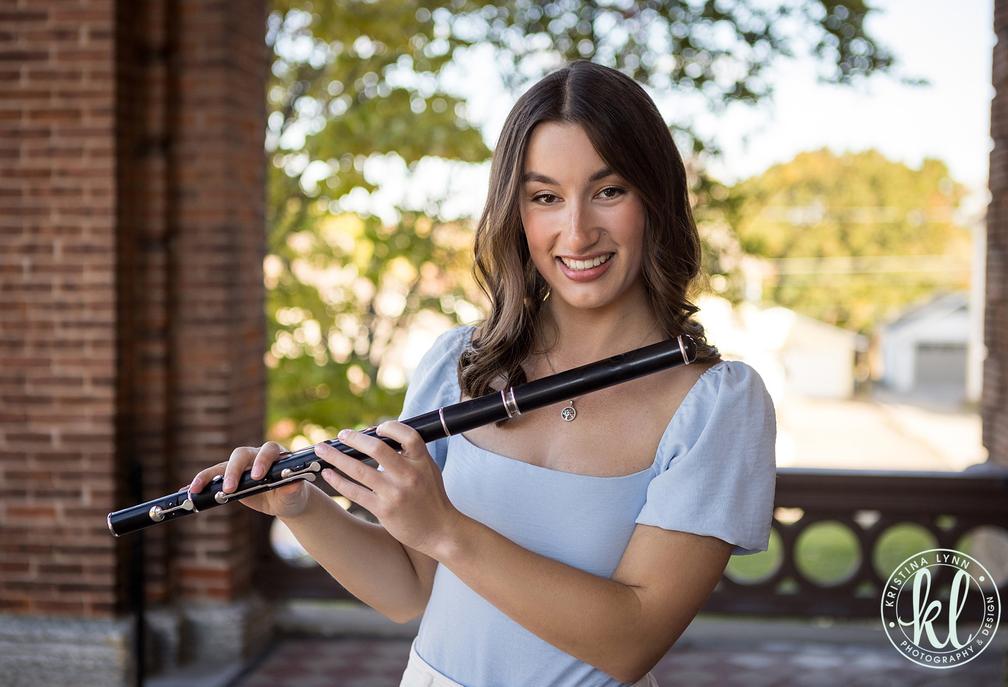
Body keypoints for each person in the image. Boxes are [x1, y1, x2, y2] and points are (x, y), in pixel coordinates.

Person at [189, 59, 777, 687]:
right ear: (516, 214)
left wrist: (445, 528)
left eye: (609, 191)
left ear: (654, 199)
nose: (576, 232)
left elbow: (633, 641)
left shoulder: (716, 404)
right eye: (545, 197)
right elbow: (411, 593)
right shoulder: (460, 364)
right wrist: (300, 507)